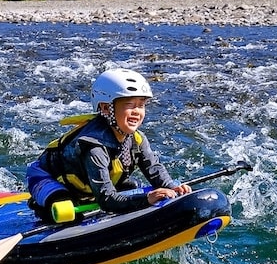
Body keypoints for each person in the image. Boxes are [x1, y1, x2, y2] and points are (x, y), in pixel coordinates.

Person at [25, 68, 192, 222]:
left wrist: (173, 187)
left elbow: (154, 169)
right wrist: (147, 199)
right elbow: (106, 201)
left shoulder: (137, 139)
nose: (137, 112)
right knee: (65, 208)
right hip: (46, 177)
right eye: (129, 105)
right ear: (106, 109)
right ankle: (41, 204)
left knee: (132, 187)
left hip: (89, 186)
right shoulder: (94, 147)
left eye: (141, 105)